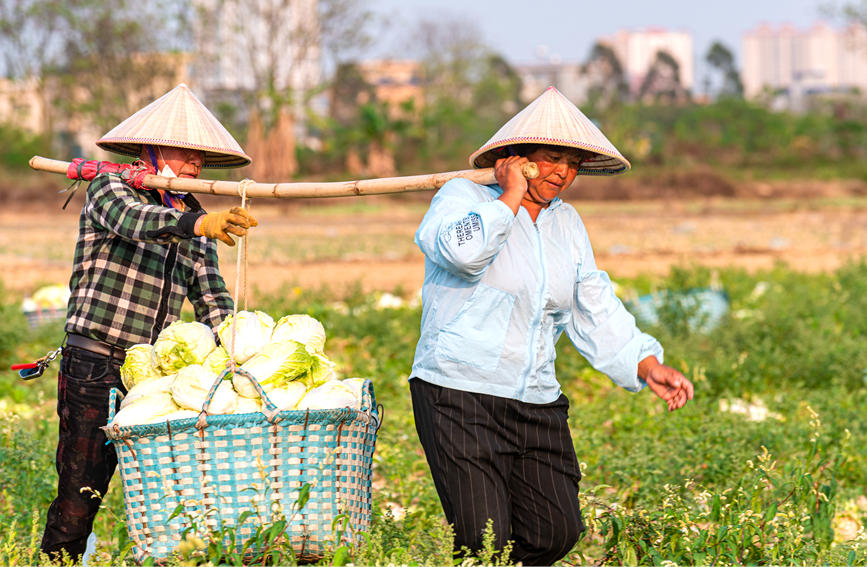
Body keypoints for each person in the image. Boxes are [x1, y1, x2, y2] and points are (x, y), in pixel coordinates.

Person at [409, 86, 694, 566]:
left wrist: (645, 363)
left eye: (573, 162)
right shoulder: (461, 198)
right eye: (551, 158)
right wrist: (509, 197)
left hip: (536, 400)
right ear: (517, 159)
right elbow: (461, 253)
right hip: (458, 395)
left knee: (557, 530)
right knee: (485, 540)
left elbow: (592, 303)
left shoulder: (567, 224)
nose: (563, 172)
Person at [40, 83, 258, 562]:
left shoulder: (192, 211)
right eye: (186, 153)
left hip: (154, 376)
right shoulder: (110, 188)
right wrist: (199, 225)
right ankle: (60, 558)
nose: (195, 165)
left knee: (166, 489)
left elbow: (210, 294)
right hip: (95, 363)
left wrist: (244, 350)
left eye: (201, 157)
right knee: (81, 491)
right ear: (153, 149)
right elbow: (135, 221)